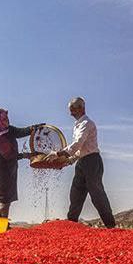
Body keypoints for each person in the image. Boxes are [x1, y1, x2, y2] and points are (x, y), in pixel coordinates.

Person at [52, 96, 116, 228]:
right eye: (70, 110)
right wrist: (66, 162)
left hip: (92, 161)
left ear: (82, 108)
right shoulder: (77, 125)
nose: (70, 113)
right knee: (76, 193)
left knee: (96, 193)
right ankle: (71, 223)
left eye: (73, 110)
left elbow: (77, 143)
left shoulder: (87, 123)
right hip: (82, 161)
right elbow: (78, 150)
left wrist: (59, 153)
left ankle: (110, 225)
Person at [0, 107, 43, 218]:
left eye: (7, 118)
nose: (7, 121)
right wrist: (28, 155)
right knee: (3, 197)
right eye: (3, 119)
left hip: (9, 168)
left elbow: (20, 132)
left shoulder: (9, 129)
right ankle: (2, 224)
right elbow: (10, 155)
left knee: (1, 196)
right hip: (0, 171)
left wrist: (33, 128)